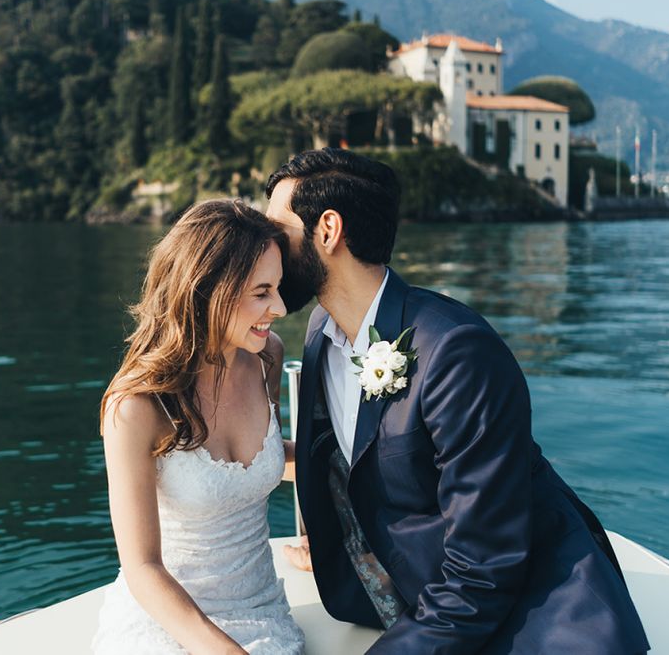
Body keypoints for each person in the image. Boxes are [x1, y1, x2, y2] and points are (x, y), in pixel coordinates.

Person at [266, 148, 649, 654]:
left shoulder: (457, 351)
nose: (265, 245)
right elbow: (350, 462)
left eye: (276, 227)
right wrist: (345, 546)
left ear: (328, 230)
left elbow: (484, 566)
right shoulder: (321, 331)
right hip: (409, 599)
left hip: (536, 618)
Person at [91, 200, 305, 655]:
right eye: (262, 292)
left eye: (278, 288)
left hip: (263, 612)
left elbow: (267, 460)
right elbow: (142, 567)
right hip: (170, 624)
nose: (281, 308)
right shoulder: (136, 407)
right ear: (210, 289)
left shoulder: (268, 357)